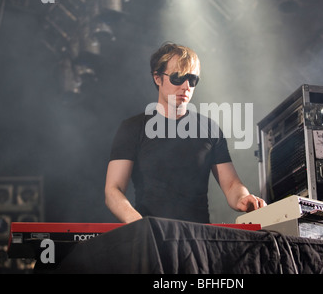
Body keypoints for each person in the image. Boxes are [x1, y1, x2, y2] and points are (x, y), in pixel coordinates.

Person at [104, 42, 266, 224]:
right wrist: (139, 224)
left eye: (192, 79)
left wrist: (242, 198)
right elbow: (113, 190)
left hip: (198, 239)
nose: (186, 86)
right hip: (151, 238)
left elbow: (231, 185)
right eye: (178, 78)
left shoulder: (210, 129)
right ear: (158, 78)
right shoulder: (132, 128)